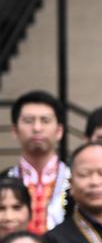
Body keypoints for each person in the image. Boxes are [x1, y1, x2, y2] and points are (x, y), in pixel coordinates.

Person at [5, 91, 71, 235]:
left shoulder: (76, 180)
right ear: (15, 130)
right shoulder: (4, 180)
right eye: (28, 121)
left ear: (59, 131)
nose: (37, 128)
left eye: (45, 120)